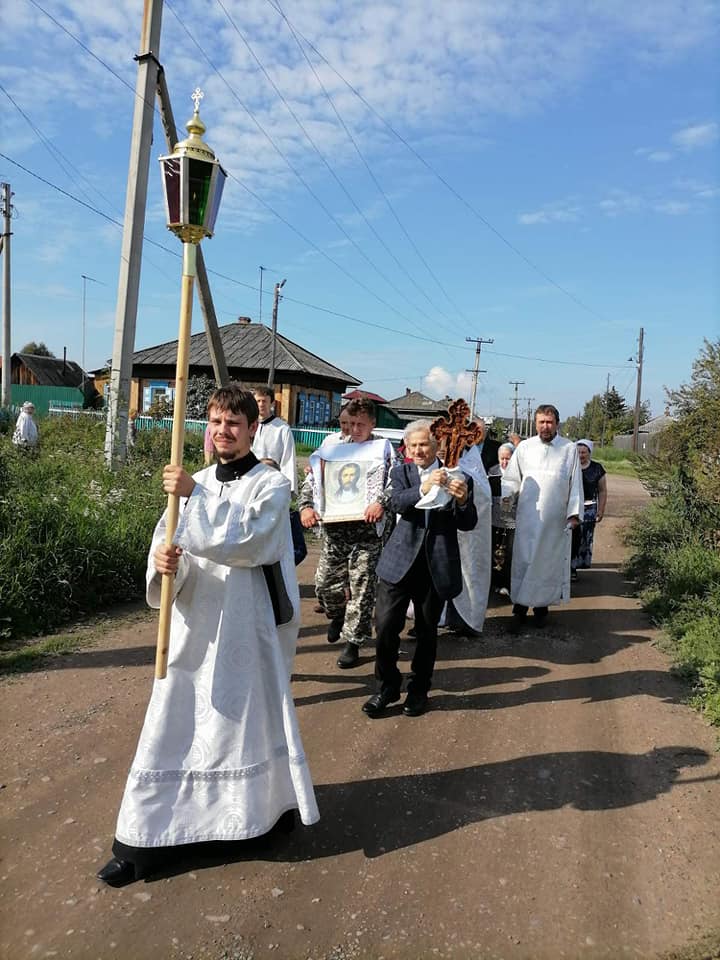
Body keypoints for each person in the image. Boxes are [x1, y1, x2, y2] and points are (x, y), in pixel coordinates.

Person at [97, 385, 319, 888]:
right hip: (194, 626)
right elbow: (170, 542)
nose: (223, 431)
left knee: (245, 723)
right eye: (215, 422)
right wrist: (164, 563)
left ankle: (258, 818)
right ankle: (142, 841)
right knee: (173, 717)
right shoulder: (192, 480)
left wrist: (193, 498)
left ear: (251, 429)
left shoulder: (271, 484)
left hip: (247, 624)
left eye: (234, 424)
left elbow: (253, 541)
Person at [362, 420, 477, 718]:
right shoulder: (402, 472)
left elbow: (468, 523)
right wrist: (423, 487)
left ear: (436, 445)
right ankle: (387, 687)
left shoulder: (458, 476)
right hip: (398, 562)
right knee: (386, 627)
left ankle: (418, 690)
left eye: (423, 444)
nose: (418, 450)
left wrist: (462, 500)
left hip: (435, 564)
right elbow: (397, 503)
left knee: (427, 633)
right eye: (412, 446)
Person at [299, 398, 392, 669]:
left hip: (367, 533)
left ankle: (353, 641)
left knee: (362, 589)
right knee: (325, 584)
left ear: (372, 423)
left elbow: (395, 483)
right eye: (349, 424)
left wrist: (381, 503)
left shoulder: (383, 450)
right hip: (336, 531)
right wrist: (305, 507)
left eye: (360, 424)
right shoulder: (333, 449)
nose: (354, 429)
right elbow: (312, 481)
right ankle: (337, 614)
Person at [502, 404, 583, 633]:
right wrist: (508, 499)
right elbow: (511, 480)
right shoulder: (525, 448)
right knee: (524, 561)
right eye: (541, 422)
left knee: (546, 564)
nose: (545, 426)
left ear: (557, 423)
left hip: (554, 521)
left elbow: (574, 483)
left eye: (549, 422)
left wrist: (574, 513)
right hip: (528, 516)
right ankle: (519, 610)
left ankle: (541, 611)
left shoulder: (568, 449)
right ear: (535, 423)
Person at [571, 439, 607, 579]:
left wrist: (601, 509)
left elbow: (602, 491)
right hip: (573, 507)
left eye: (584, 452)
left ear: (589, 453)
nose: (581, 455)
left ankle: (578, 564)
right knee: (572, 538)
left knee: (584, 538)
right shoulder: (570, 467)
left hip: (589, 508)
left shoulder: (597, 468)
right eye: (578, 452)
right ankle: (570, 568)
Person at [251, 386, 297, 494]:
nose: (261, 404)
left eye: (264, 401)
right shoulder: (248, 426)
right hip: (251, 480)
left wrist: (289, 488)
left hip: (272, 482)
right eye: (258, 401)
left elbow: (288, 459)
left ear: (272, 403)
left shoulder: (282, 429)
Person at [487, 442, 517, 597]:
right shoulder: (492, 472)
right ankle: (495, 582)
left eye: (508, 459)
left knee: (510, 552)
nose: (505, 462)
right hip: (495, 519)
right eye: (502, 458)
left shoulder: (520, 473)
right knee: (495, 550)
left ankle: (507, 582)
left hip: (512, 520)